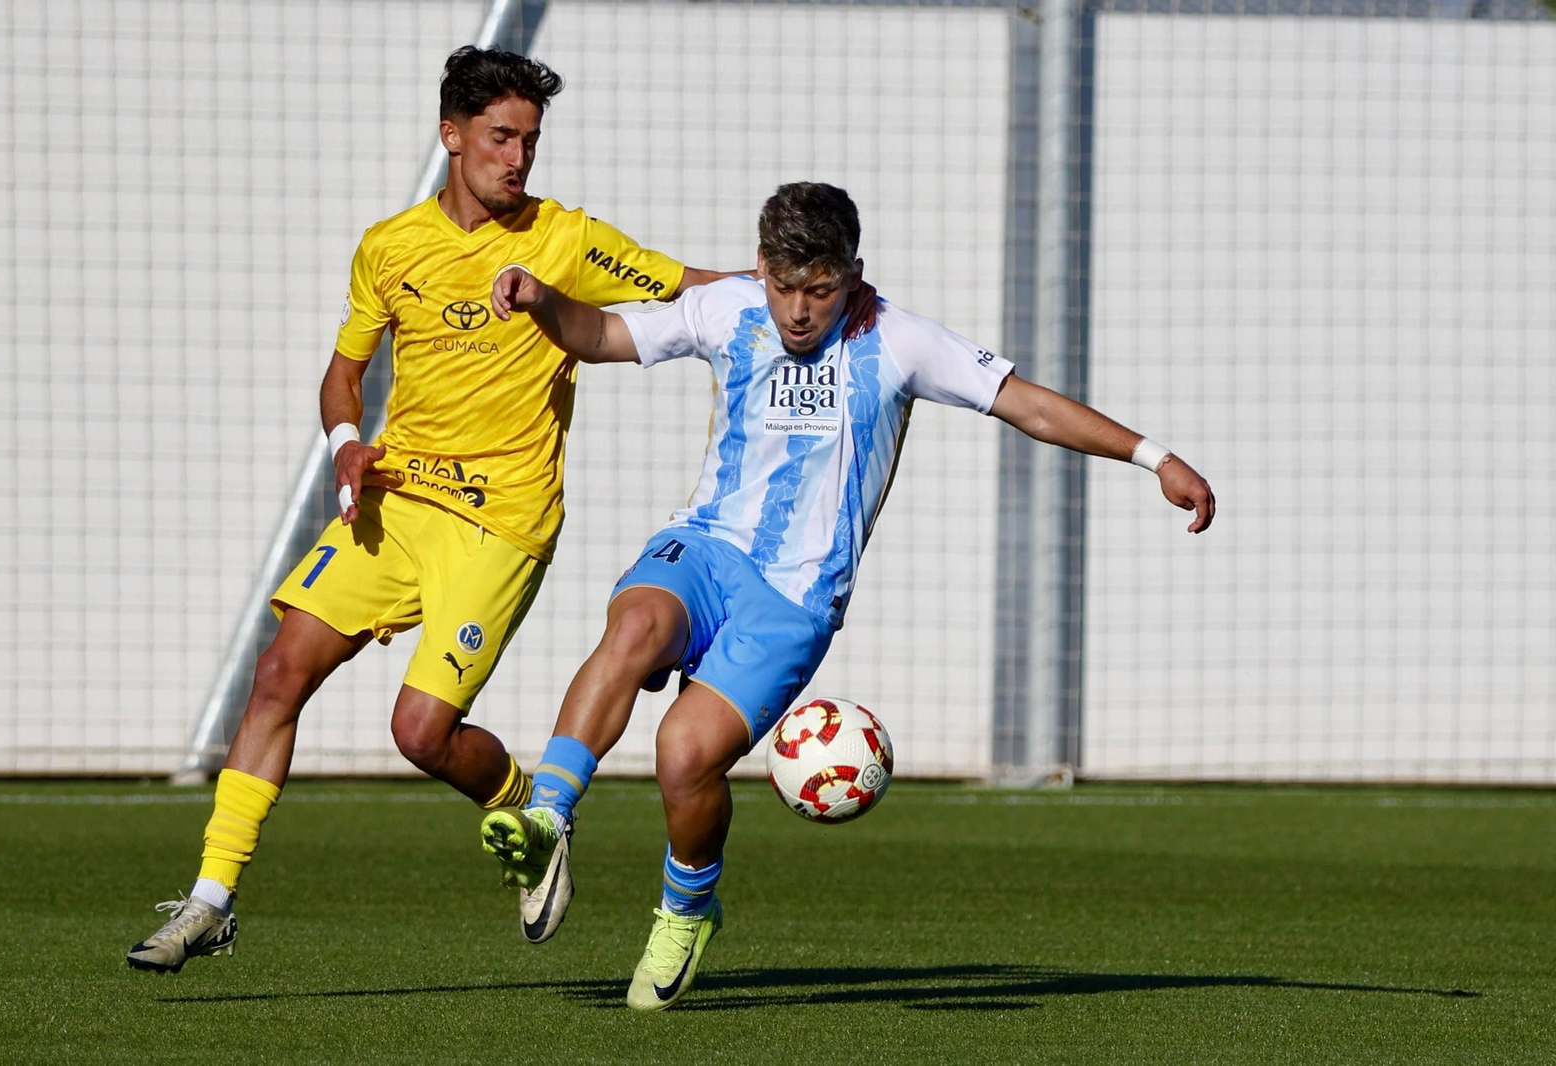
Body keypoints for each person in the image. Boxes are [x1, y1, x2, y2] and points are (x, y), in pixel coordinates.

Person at [125, 47, 873, 974]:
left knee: (418, 733)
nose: (518, 159)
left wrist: (826, 291)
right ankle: (209, 899)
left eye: (530, 140)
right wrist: (344, 442)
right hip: (394, 502)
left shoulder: (564, 239)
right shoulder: (389, 247)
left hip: (499, 523)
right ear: (453, 135)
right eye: (500, 137)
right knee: (279, 672)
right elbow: (344, 373)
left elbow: (696, 288)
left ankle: (527, 805)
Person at [478, 181, 1217, 1010]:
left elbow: (1030, 406)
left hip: (795, 598)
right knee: (637, 622)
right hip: (709, 544)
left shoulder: (898, 340)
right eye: (784, 286)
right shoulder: (726, 308)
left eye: (820, 289)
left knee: (684, 758)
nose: (798, 310)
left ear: (853, 276)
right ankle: (547, 816)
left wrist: (1155, 458)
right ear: (760, 267)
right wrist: (544, 302)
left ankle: (687, 908)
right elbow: (601, 334)